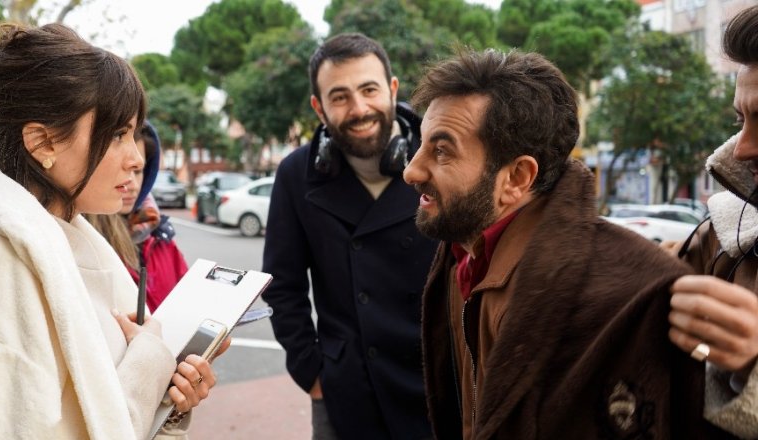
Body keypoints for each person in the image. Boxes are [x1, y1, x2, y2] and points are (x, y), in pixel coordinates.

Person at [0, 23, 215, 439]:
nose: (135, 159)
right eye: (116, 134)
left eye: (134, 133)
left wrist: (169, 400)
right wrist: (147, 365)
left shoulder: (61, 241)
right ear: (42, 143)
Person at [404, 48, 734, 438]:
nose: (412, 169)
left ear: (516, 177)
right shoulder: (462, 254)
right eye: (422, 144)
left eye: (441, 150)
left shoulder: (635, 294)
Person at [261, 33, 437, 439]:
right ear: (319, 108)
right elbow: (282, 286)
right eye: (339, 97)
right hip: (347, 391)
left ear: (392, 90)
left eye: (369, 89)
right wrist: (313, 373)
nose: (359, 109)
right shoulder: (295, 175)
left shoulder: (440, 157)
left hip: (438, 385)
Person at [669, 5, 758, 438]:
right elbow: (683, 355)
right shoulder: (723, 238)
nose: (740, 150)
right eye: (741, 121)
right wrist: (718, 355)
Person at [87, 121, 188, 313]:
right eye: (121, 167)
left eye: (138, 171)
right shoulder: (80, 241)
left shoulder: (160, 235)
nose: (132, 184)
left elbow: (190, 303)